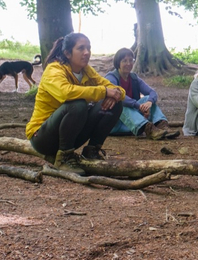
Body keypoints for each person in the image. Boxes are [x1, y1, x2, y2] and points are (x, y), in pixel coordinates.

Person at [25, 33, 124, 176]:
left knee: (115, 104)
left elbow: (116, 90)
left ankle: (92, 151)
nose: (87, 52)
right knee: (77, 104)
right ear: (67, 53)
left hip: (71, 135)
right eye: (81, 48)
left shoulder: (86, 71)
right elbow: (66, 93)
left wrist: (116, 95)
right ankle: (64, 158)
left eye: (88, 48)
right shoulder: (53, 70)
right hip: (42, 137)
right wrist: (104, 92)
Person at [105, 48, 174, 140]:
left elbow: (152, 92)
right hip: (115, 123)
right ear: (118, 63)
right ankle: (148, 129)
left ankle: (162, 125)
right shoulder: (111, 78)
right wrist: (138, 106)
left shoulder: (133, 78)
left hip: (133, 121)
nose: (128, 64)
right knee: (119, 102)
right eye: (124, 61)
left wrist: (149, 102)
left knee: (148, 98)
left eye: (131, 60)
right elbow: (118, 96)